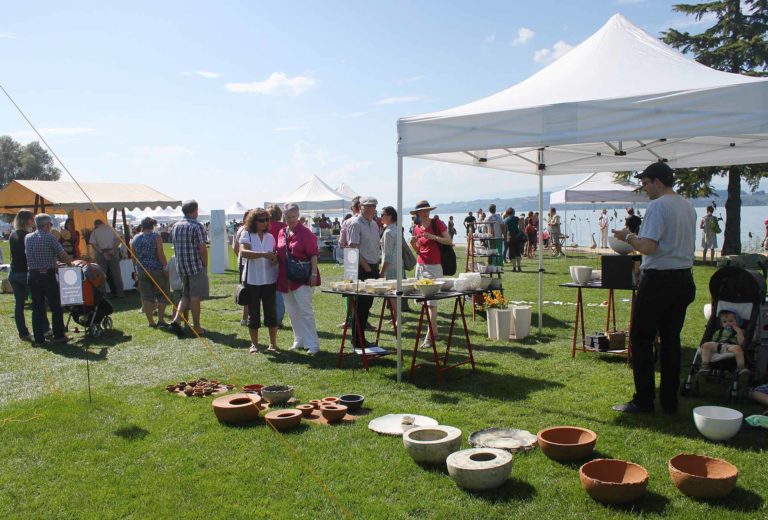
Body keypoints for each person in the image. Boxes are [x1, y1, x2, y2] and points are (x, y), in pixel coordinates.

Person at [612, 162, 696, 414]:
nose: (644, 188)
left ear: (658, 182)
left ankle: (644, 400)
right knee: (671, 340)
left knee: (641, 339)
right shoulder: (687, 206)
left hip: (659, 279)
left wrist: (627, 236)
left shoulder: (658, 206)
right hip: (683, 278)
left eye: (646, 183)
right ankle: (670, 401)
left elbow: (648, 247)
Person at [277, 203, 321, 355]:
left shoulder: (306, 233)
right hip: (285, 277)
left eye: (294, 216)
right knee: (292, 311)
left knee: (305, 311)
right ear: (284, 216)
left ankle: (313, 344)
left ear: (298, 215)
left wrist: (313, 274)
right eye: (288, 217)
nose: (291, 220)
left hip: (303, 277)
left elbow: (313, 254)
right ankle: (299, 340)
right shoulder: (282, 232)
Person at [25, 213, 73, 345]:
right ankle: (59, 335)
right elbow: (62, 254)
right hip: (47, 276)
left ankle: (39, 339)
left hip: (33, 276)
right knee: (56, 306)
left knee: (37, 309)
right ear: (46, 225)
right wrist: (70, 264)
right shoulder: (50, 237)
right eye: (50, 224)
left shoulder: (28, 238)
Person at [410, 200, 452, 348]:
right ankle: (434, 331)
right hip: (420, 266)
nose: (426, 213)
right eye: (423, 211)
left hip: (434, 266)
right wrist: (413, 244)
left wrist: (433, 237)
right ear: (418, 214)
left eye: (427, 210)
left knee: (432, 302)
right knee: (424, 301)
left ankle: (429, 337)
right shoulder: (416, 228)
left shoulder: (437, 223)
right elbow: (418, 249)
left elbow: (449, 240)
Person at [239, 208, 279, 354]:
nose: (265, 223)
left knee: (271, 313)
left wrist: (274, 259)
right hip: (252, 280)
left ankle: (273, 344)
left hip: (269, 280)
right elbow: (244, 252)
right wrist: (264, 255)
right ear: (253, 221)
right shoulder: (247, 234)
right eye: (261, 220)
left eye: (267, 219)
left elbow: (274, 257)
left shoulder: (270, 237)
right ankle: (254, 344)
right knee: (253, 313)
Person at [168, 200, 209, 337]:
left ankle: (176, 320)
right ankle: (197, 327)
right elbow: (202, 249)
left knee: (186, 295)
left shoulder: (175, 226)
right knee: (195, 296)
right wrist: (205, 264)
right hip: (195, 266)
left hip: (182, 266)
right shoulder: (197, 226)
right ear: (195, 210)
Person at [348, 196, 382, 349]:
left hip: (373, 266)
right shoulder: (355, 223)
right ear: (360, 207)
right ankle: (357, 340)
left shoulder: (374, 224)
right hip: (362, 269)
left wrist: (375, 266)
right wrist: (366, 266)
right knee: (361, 305)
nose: (370, 209)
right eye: (366, 206)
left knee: (367, 305)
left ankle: (359, 338)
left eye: (372, 206)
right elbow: (353, 248)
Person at [130, 217, 170, 328]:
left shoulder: (135, 238)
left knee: (147, 296)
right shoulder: (156, 237)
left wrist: (136, 270)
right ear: (153, 226)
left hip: (142, 270)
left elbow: (134, 257)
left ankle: (151, 322)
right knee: (163, 293)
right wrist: (166, 267)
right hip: (156, 269)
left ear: (142, 226)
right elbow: (160, 254)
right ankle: (161, 320)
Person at [8, 209, 35, 341]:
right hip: (24, 273)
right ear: (26, 220)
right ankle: (45, 329)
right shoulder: (28, 236)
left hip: (13, 273)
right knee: (38, 302)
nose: (33, 221)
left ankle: (23, 333)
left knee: (19, 305)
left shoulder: (12, 235)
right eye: (32, 219)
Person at [699, 309, 750, 376]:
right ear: (721, 323)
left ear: (737, 321)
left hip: (730, 346)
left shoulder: (740, 331)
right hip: (717, 344)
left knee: (738, 348)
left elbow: (741, 343)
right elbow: (713, 340)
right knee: (706, 345)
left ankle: (741, 367)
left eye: (731, 321)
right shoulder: (719, 331)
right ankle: (705, 365)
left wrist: (738, 331)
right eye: (724, 322)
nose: (728, 323)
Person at [89, 219, 124, 298]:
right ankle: (120, 293)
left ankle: (103, 295)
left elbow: (93, 244)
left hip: (101, 253)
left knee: (102, 275)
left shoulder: (95, 232)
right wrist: (113, 249)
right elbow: (119, 239)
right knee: (117, 274)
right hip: (113, 252)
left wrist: (102, 252)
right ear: (103, 223)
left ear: (96, 225)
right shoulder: (111, 229)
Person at [380, 206, 403, 324]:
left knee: (391, 292)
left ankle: (399, 316)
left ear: (390, 216)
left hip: (390, 266)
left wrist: (382, 271)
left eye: (383, 214)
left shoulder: (388, 232)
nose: (381, 216)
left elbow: (387, 254)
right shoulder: (398, 229)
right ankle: (395, 316)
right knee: (396, 291)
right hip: (399, 264)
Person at [267, 205, 287, 328]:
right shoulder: (284, 227)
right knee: (279, 292)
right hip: (281, 260)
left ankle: (270, 317)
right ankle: (278, 318)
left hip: (268, 259)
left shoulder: (266, 227)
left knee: (269, 291)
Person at [233, 209, 252, 326]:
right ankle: (245, 317)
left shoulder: (240, 229)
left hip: (241, 262)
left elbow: (235, 248)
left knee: (245, 290)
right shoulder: (246, 230)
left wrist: (239, 257)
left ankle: (245, 317)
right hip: (246, 263)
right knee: (247, 291)